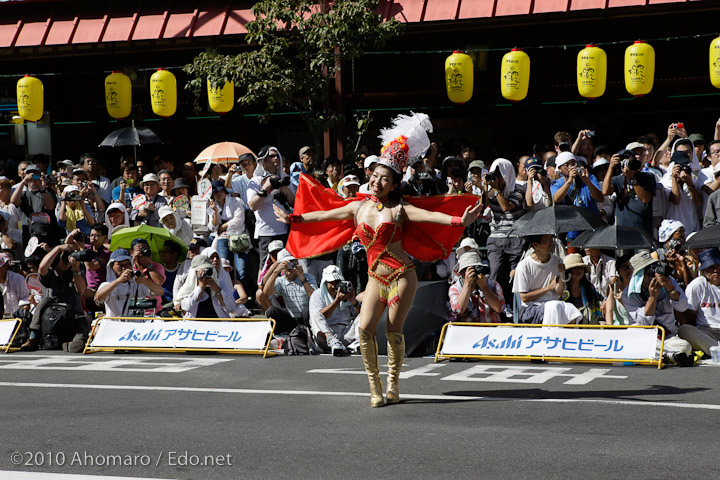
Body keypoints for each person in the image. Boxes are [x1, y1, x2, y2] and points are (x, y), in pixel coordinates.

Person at [276, 112, 481, 407]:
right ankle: (375, 387)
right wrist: (294, 217)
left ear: (394, 184)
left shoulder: (400, 209)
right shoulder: (358, 207)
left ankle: (394, 383)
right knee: (364, 329)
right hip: (376, 278)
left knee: (393, 330)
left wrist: (458, 220)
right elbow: (323, 214)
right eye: (374, 177)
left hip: (401, 276)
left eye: (384, 179)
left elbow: (431, 215)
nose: (376, 182)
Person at [622, 252, 693, 364]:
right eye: (648, 271)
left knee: (685, 347)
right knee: (633, 330)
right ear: (639, 275)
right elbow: (644, 323)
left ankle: (663, 354)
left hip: (667, 338)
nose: (653, 274)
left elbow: (683, 307)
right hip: (646, 336)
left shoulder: (668, 281)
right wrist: (652, 297)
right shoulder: (628, 294)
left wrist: (670, 288)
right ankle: (671, 355)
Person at [512, 234, 581, 325]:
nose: (552, 242)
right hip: (531, 309)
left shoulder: (558, 261)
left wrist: (561, 274)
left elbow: (559, 292)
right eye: (546, 240)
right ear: (536, 245)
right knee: (554, 307)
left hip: (555, 304)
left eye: (551, 239)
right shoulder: (524, 266)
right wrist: (548, 288)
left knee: (572, 312)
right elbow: (524, 298)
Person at [247, 146, 295, 267]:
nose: (275, 158)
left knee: (287, 265)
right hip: (266, 232)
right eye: (271, 156)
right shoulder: (256, 181)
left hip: (285, 230)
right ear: (263, 160)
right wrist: (265, 187)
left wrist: (285, 189)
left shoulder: (285, 179)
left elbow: (293, 203)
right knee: (266, 266)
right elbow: (253, 206)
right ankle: (262, 286)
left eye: (276, 155)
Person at [95, 249, 165, 318]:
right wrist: (118, 280)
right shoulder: (107, 285)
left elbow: (160, 292)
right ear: (111, 266)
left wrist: (145, 281)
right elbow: (98, 298)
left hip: (136, 325)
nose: (124, 268)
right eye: (120, 265)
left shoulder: (138, 283)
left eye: (127, 264)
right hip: (116, 325)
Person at [308, 265, 361, 355]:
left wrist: (354, 302)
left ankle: (358, 343)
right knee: (316, 314)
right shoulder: (317, 294)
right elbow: (321, 316)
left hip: (345, 333)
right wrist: (337, 301)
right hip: (325, 335)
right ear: (325, 283)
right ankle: (333, 341)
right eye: (330, 283)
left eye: (336, 282)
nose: (333, 286)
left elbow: (359, 315)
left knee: (364, 313)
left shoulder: (346, 293)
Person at [261, 248, 316, 333]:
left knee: (306, 310)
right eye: (286, 263)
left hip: (308, 318)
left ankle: (310, 334)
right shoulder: (280, 280)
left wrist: (303, 280)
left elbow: (314, 297)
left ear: (297, 263)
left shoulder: (308, 277)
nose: (290, 267)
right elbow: (266, 293)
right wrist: (276, 271)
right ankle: (282, 335)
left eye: (292, 262)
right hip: (291, 319)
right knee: (271, 311)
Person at [602, 149, 656, 234]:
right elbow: (605, 191)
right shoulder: (617, 180)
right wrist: (611, 167)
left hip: (643, 230)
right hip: (623, 229)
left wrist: (632, 179)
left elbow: (645, 199)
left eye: (631, 162)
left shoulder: (648, 177)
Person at [678, 248, 720, 357]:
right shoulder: (697, 285)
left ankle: (713, 350)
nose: (716, 271)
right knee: (684, 330)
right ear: (704, 270)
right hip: (707, 332)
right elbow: (690, 316)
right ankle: (715, 349)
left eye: (718, 267)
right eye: (711, 268)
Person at [448, 251, 504, 323]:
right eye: (471, 269)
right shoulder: (455, 288)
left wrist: (484, 287)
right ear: (462, 272)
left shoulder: (493, 284)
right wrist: (467, 284)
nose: (474, 272)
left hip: (491, 330)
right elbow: (459, 310)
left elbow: (499, 308)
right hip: (468, 332)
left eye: (476, 268)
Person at [562, 253, 605, 324]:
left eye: (580, 268)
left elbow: (595, 312)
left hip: (586, 324)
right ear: (567, 272)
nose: (578, 271)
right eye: (574, 268)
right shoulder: (562, 289)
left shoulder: (589, 287)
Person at [0, 252, 31, 317]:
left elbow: (25, 300)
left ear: (6, 266)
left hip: (15, 318)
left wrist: (21, 313)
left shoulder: (18, 279)